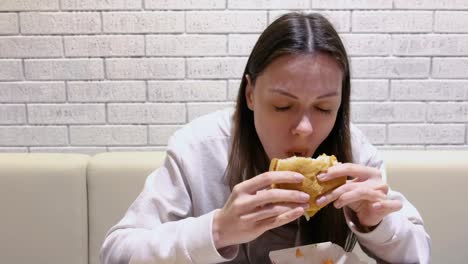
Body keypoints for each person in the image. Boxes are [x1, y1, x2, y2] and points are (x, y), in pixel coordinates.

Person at [101, 12, 431, 263]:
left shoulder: (352, 154)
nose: (304, 128)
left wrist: (377, 225)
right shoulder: (198, 149)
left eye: (324, 107)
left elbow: (419, 253)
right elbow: (116, 252)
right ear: (249, 94)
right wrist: (218, 229)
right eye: (282, 105)